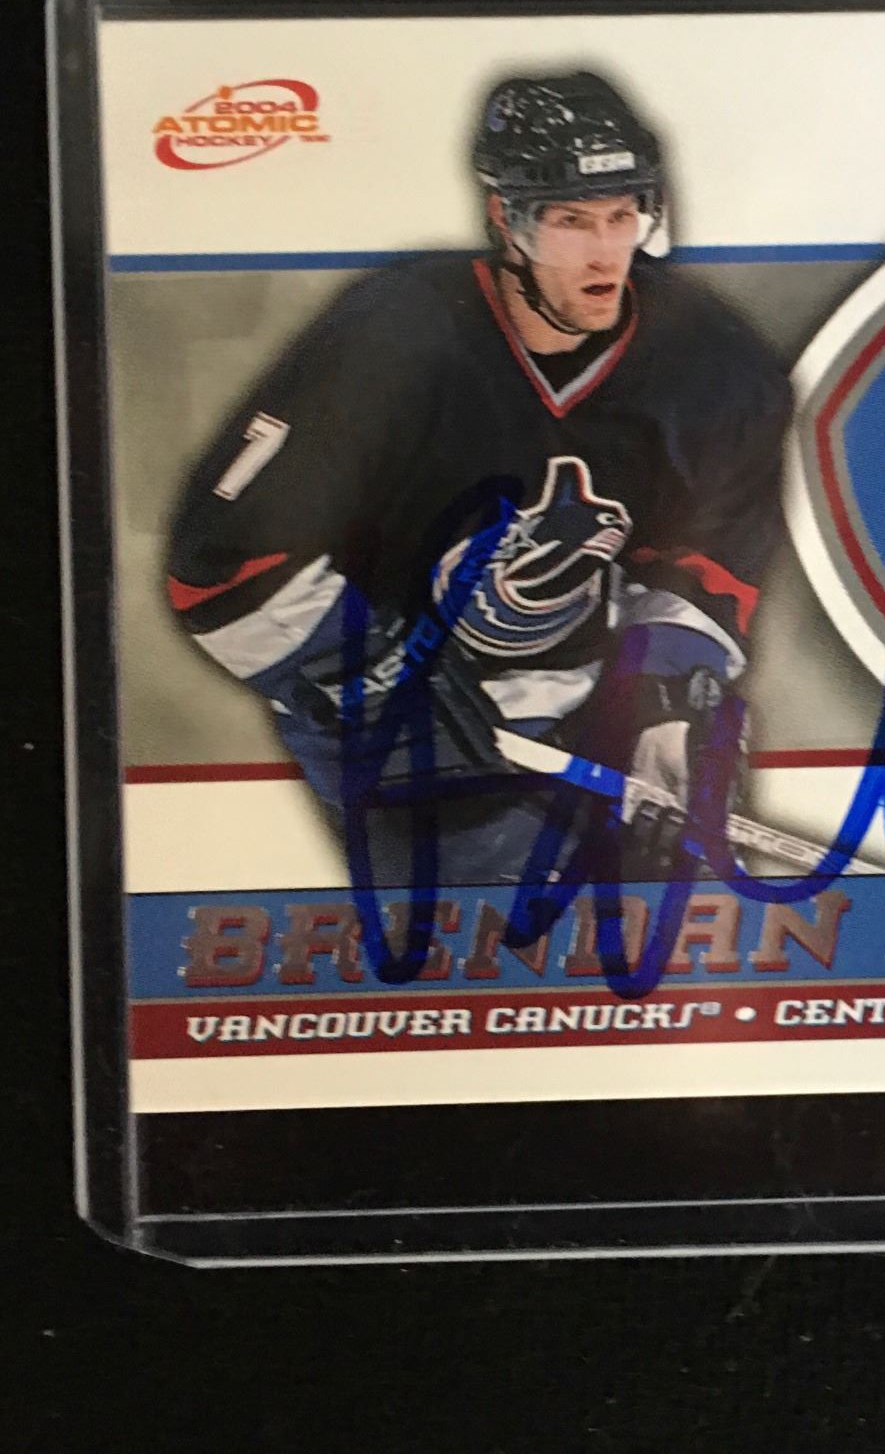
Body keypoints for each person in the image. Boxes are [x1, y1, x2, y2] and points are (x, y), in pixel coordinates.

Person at [166, 71, 792, 887]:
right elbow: (224, 566)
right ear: (507, 220)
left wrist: (666, 702)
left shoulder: (715, 365)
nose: (606, 252)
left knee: (683, 929)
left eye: (621, 216)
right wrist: (381, 687)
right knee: (507, 936)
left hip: (590, 693)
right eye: (571, 221)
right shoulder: (394, 342)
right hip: (393, 707)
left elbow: (706, 561)